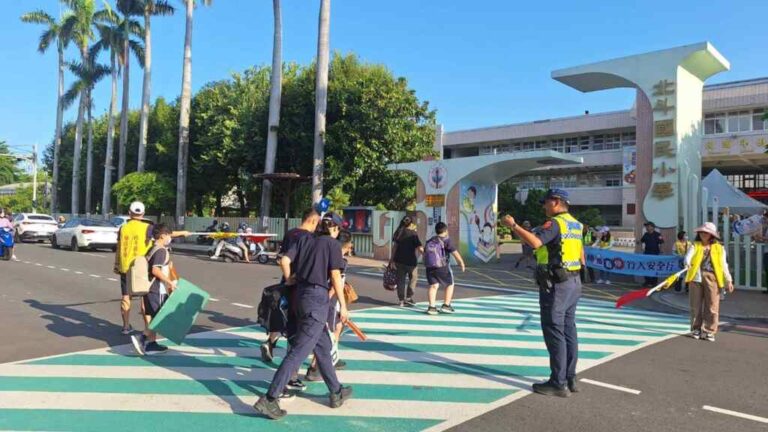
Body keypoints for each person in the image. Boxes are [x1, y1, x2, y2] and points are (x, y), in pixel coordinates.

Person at [253, 212, 352, 419]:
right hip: (317, 299)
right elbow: (335, 275)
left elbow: (285, 259)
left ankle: (336, 391)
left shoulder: (304, 239)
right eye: (338, 229)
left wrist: (289, 279)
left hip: (299, 296)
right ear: (333, 228)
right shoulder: (332, 245)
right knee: (298, 352)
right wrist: (343, 306)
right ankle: (270, 399)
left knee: (323, 346)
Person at [502, 188, 584, 398]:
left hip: (557, 284)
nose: (543, 206)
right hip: (574, 281)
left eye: (545, 202)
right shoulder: (576, 224)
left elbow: (536, 242)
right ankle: (571, 377)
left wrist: (513, 226)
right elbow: (582, 256)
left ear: (556, 202)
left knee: (554, 330)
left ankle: (558, 383)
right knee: (569, 329)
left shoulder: (555, 223)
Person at [113, 201, 188, 335]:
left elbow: (119, 247)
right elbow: (165, 234)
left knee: (126, 297)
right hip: (141, 268)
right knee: (144, 297)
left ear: (129, 213)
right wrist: (183, 232)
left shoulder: (123, 228)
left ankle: (125, 326)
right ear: (143, 213)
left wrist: (117, 265)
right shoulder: (147, 227)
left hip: (126, 267)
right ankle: (148, 329)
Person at [260, 208, 320, 369]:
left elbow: (282, 257)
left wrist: (286, 278)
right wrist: (291, 278)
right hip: (298, 282)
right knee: (297, 323)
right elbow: (286, 260)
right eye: (317, 222)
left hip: (286, 280)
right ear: (313, 220)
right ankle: (296, 368)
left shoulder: (290, 233)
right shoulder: (308, 237)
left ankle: (270, 342)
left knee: (282, 315)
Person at [306, 229, 354, 381]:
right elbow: (335, 283)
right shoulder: (340, 261)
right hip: (328, 303)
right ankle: (315, 367)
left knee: (335, 328)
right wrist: (339, 304)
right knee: (328, 333)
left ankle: (329, 360)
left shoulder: (321, 256)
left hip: (313, 298)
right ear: (347, 246)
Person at [129, 224, 177, 355]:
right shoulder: (161, 250)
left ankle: (152, 344)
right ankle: (142, 338)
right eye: (169, 235)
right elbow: (155, 270)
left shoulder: (152, 248)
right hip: (157, 289)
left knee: (155, 316)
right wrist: (170, 283)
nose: (170, 238)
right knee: (160, 318)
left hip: (149, 288)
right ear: (163, 235)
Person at [684, 222, 734, 342]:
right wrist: (687, 263)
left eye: (706, 232)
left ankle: (709, 331)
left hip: (712, 278)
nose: (703, 234)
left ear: (712, 235)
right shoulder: (694, 245)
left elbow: (723, 265)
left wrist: (729, 280)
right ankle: (696, 329)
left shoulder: (719, 248)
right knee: (695, 306)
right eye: (701, 232)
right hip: (696, 277)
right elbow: (687, 257)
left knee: (712, 306)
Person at [423, 222, 466, 316]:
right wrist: (461, 263)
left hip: (430, 267)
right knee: (450, 284)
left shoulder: (430, 240)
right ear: (446, 231)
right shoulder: (446, 240)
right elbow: (455, 252)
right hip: (442, 267)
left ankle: (432, 307)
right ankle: (446, 305)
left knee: (433, 286)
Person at [389, 216, 423, 307]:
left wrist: (391, 260)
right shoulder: (413, 234)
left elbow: (394, 247)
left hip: (398, 260)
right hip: (411, 262)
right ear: (411, 224)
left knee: (401, 280)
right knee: (413, 278)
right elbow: (419, 247)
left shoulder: (398, 232)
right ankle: (408, 298)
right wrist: (427, 255)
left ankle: (401, 301)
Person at [640, 221, 664, 287]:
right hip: (647, 253)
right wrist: (640, 246)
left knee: (654, 268)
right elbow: (641, 241)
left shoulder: (658, 234)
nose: (647, 227)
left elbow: (661, 242)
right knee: (646, 267)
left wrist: (661, 250)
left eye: (648, 226)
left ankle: (654, 282)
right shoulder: (645, 234)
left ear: (652, 227)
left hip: (655, 253)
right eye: (646, 226)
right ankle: (647, 281)